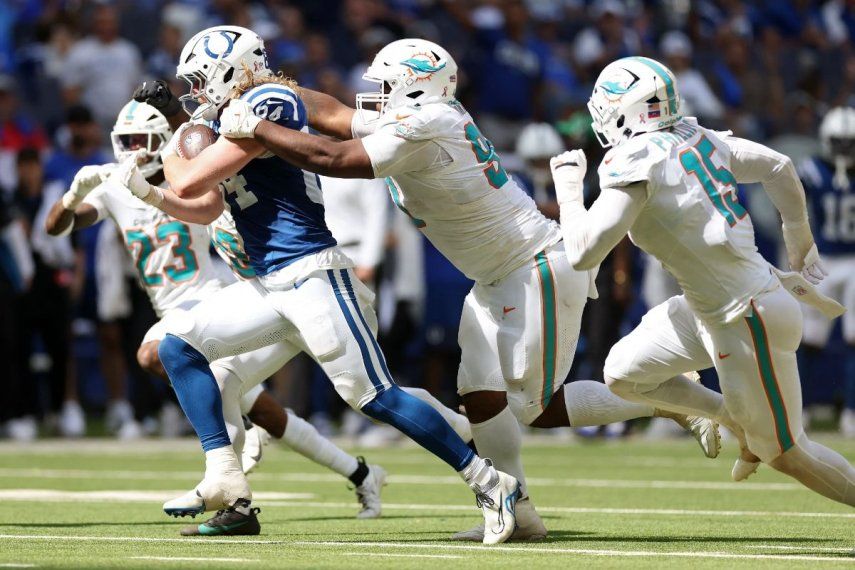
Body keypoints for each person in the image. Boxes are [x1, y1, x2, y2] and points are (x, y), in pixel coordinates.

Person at [215, 37, 719, 541]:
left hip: (535, 264)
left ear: (414, 87)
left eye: (387, 84)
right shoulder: (422, 116)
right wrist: (265, 91)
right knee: (479, 398)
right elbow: (334, 114)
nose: (378, 93)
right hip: (496, 275)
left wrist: (258, 127)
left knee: (532, 407)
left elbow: (332, 156)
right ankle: (518, 514)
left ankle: (665, 399)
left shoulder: (428, 123)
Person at [123, 26, 520, 543]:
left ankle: (489, 480)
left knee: (374, 397)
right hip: (269, 282)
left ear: (231, 71)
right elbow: (207, 183)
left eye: (202, 80)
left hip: (313, 272)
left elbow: (189, 179)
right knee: (178, 347)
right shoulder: (233, 111)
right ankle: (224, 476)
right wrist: (182, 126)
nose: (197, 91)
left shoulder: (266, 100)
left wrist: (173, 141)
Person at [44, 98, 388, 522]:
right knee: (266, 414)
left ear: (162, 139)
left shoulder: (186, 174)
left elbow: (204, 172)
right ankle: (361, 473)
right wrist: (72, 194)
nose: (133, 149)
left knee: (155, 353)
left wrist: (176, 127)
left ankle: (231, 489)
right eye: (126, 140)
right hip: (174, 308)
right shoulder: (114, 186)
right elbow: (56, 227)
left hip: (213, 301)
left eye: (142, 139)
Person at [555, 56, 855, 507]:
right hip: (709, 308)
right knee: (621, 374)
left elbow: (582, 252)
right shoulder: (699, 137)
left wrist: (568, 189)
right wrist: (799, 237)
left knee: (786, 451)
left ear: (627, 111)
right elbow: (778, 166)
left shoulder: (635, 158)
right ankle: (728, 417)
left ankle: (749, 427)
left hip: (747, 315)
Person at [796, 106, 855, 437]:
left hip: (849, 260)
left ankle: (851, 412)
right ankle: (799, 409)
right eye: (840, 142)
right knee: (808, 339)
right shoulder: (811, 171)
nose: (845, 150)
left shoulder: (813, 170)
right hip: (823, 262)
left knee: (852, 340)